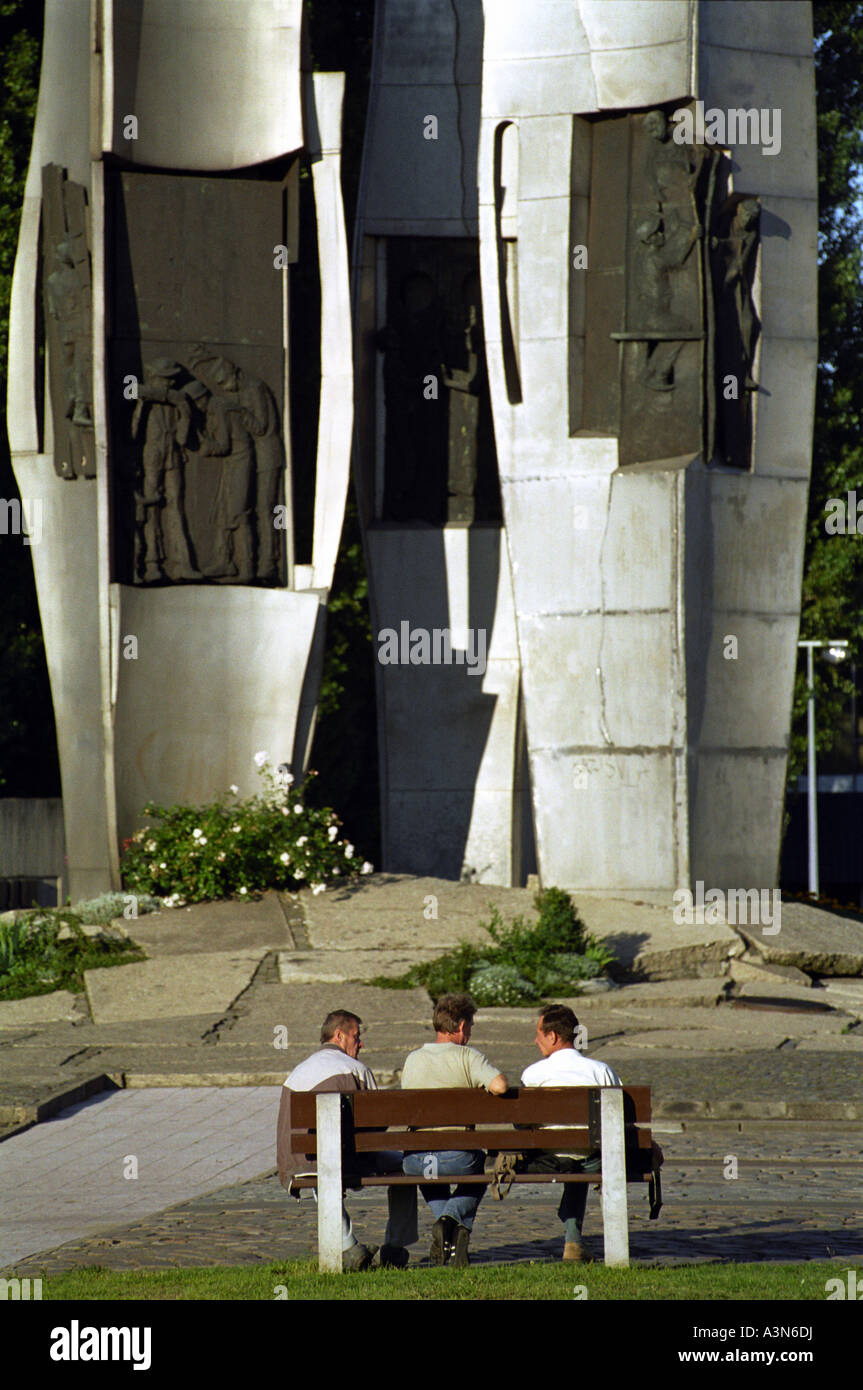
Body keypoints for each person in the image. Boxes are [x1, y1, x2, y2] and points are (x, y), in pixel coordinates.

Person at [277, 1009, 417, 1271]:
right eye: (357, 1036)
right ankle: (395, 1246)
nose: (361, 1043)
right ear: (339, 1035)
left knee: (322, 1165)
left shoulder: (296, 1074)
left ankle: (347, 1247)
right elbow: (377, 1130)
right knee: (406, 1165)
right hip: (352, 1159)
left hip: (305, 1164)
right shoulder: (355, 1069)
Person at [401, 992, 507, 1267]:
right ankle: (450, 1221)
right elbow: (499, 1087)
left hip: (417, 1161)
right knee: (483, 1168)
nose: (469, 1033)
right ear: (460, 1026)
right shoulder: (468, 1057)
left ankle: (449, 1231)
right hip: (457, 1158)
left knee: (428, 1172)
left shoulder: (412, 1059)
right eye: (470, 1027)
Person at [520, 1004, 621, 1262]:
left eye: (539, 1034)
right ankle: (574, 1242)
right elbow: (619, 1120)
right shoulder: (601, 1071)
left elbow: (521, 1125)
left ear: (553, 1036)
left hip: (548, 1156)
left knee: (572, 1161)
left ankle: (573, 1241)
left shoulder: (533, 1074)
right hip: (592, 1155)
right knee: (581, 1160)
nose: (535, 1040)